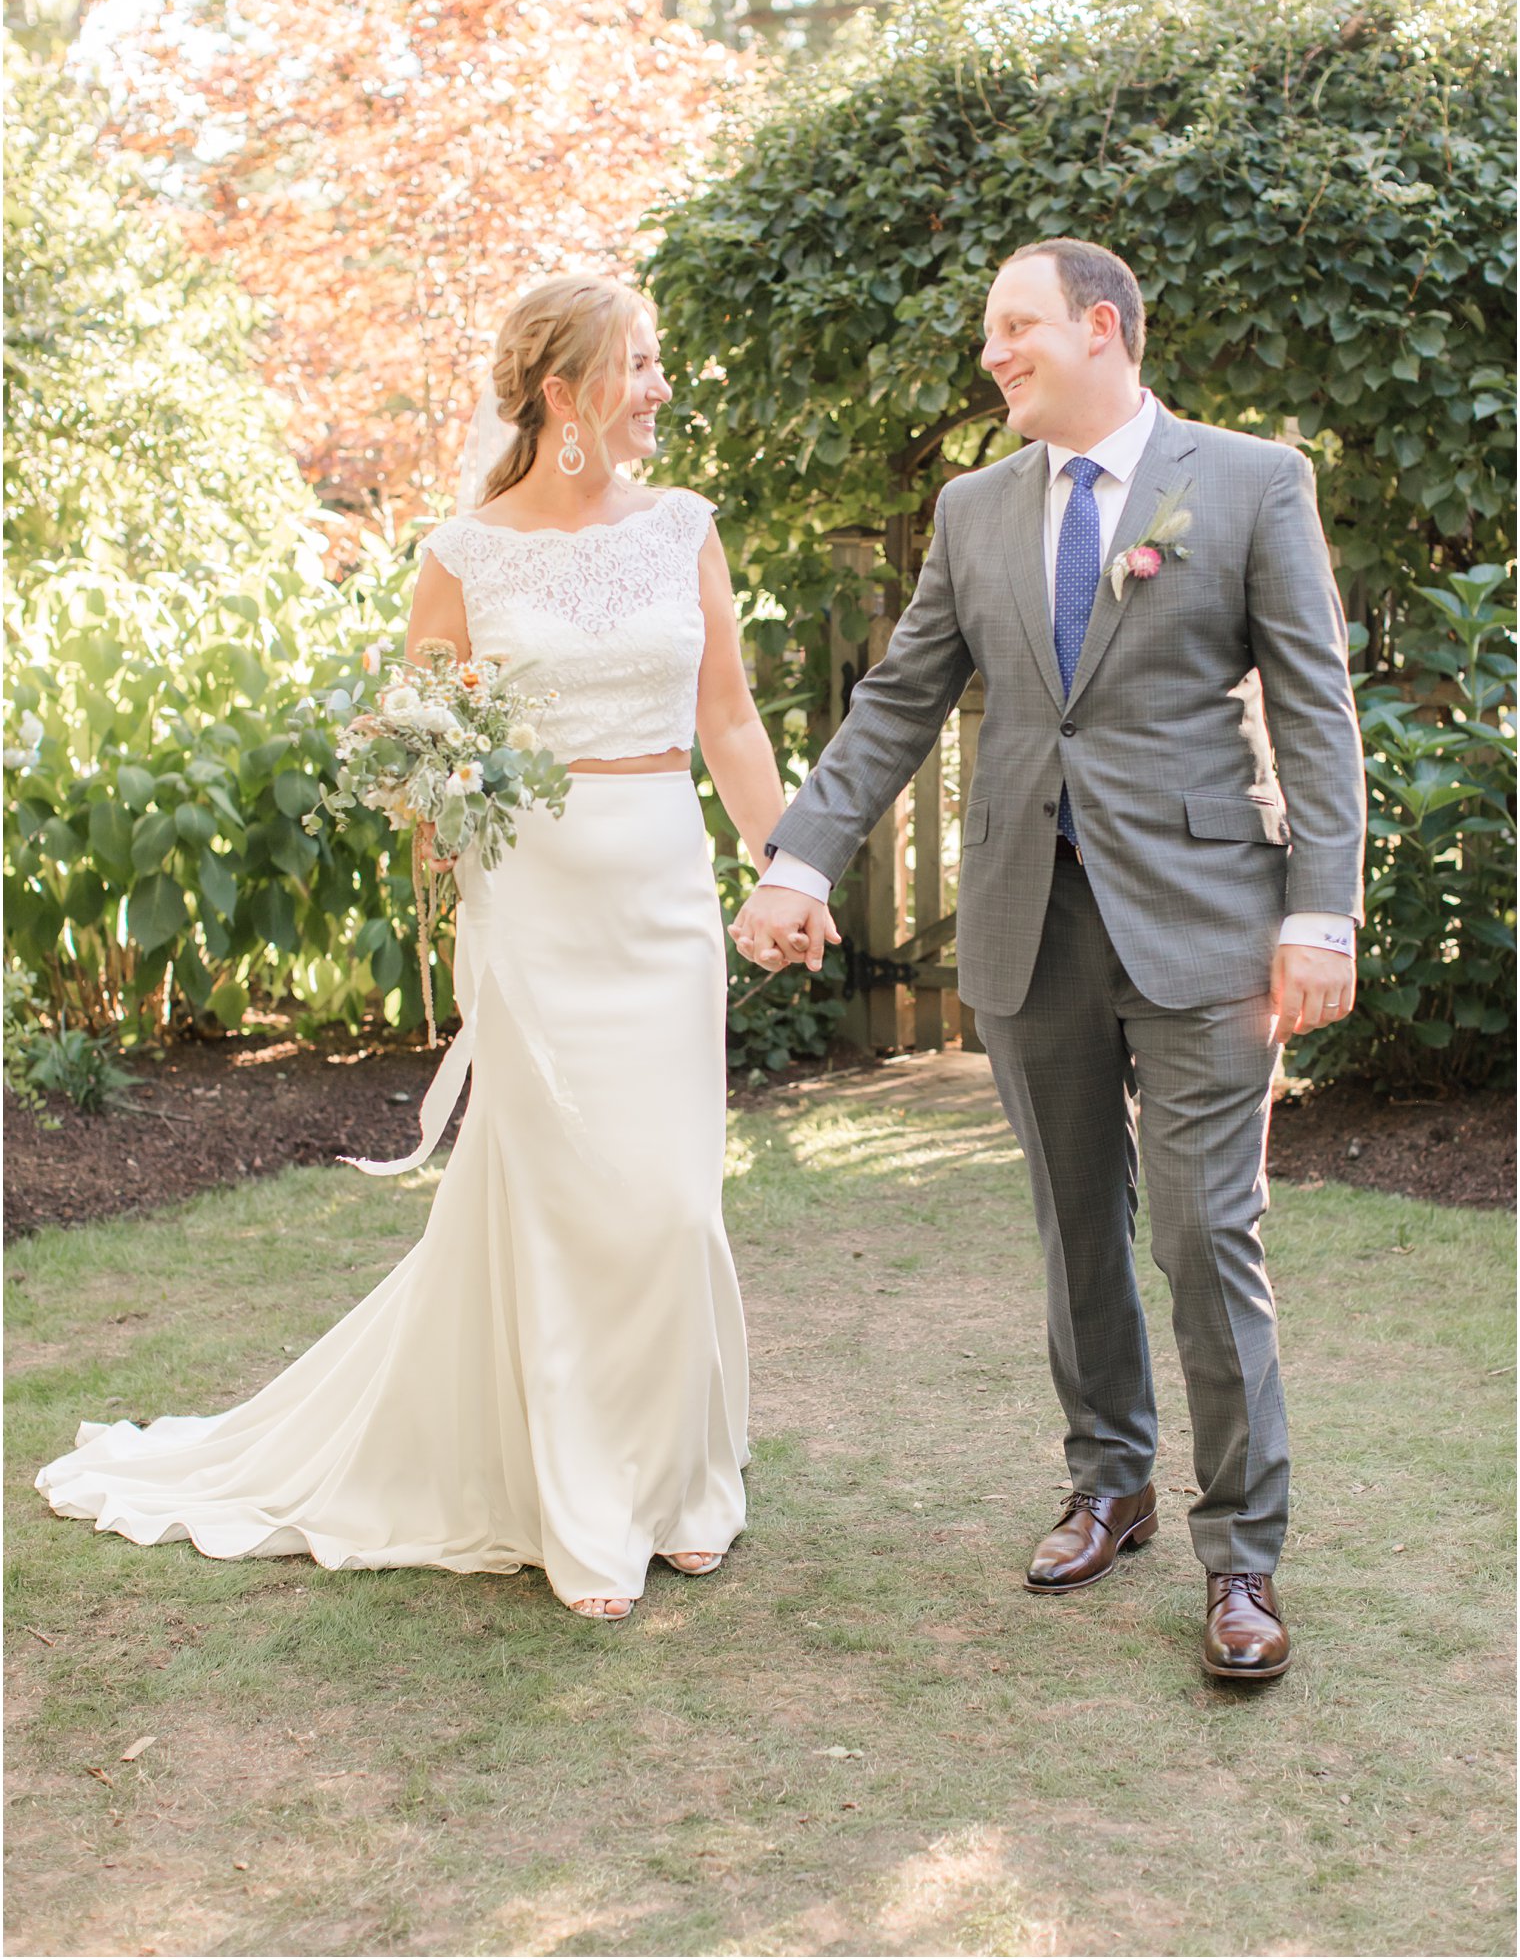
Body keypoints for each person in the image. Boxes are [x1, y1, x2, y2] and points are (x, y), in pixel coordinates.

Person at [38, 274, 789, 1624]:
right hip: (540, 909)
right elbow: (419, 747)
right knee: (562, 1203)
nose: (661, 386)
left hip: (663, 899)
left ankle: (678, 1479)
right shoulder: (463, 552)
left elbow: (727, 719)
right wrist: (436, 808)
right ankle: (579, 1502)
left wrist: (787, 857)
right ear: (566, 390)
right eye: (642, 361)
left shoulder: (685, 530)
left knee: (674, 1198)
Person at [733, 239, 1366, 1680]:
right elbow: (897, 702)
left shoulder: (1250, 480)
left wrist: (1318, 910)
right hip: (1032, 921)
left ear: (1101, 328)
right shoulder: (972, 509)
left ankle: (1244, 1556)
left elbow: (1316, 712)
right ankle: (1110, 1482)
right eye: (987, 334)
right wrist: (799, 855)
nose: (992, 353)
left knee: (1208, 1233)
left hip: (1208, 922)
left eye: (1014, 327)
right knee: (1075, 1221)